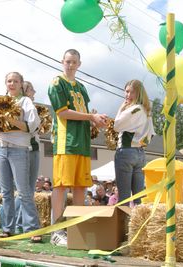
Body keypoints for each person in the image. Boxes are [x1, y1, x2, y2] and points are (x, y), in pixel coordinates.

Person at [47, 49, 107, 246]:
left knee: (80, 186)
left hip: (82, 142)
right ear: (62, 62)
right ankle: (56, 229)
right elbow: (63, 113)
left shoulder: (81, 87)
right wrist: (91, 117)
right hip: (66, 142)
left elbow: (84, 112)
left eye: (74, 62)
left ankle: (76, 228)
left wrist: (95, 121)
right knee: (61, 185)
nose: (70, 65)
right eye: (67, 61)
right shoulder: (57, 82)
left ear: (79, 64)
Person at [0, 72, 42, 243]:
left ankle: (32, 229)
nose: (12, 84)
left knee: (24, 192)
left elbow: (32, 126)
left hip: (20, 149)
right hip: (1, 148)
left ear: (21, 84)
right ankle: (8, 228)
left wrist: (10, 120)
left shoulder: (26, 102)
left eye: (16, 81)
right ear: (5, 83)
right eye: (9, 81)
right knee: (6, 191)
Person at [114, 79, 154, 206]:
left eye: (131, 92)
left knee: (124, 197)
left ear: (138, 93)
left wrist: (121, 108)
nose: (127, 95)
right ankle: (138, 224)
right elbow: (151, 135)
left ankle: (123, 225)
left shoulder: (134, 109)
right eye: (126, 92)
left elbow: (117, 125)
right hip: (141, 154)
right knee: (138, 197)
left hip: (126, 151)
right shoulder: (147, 111)